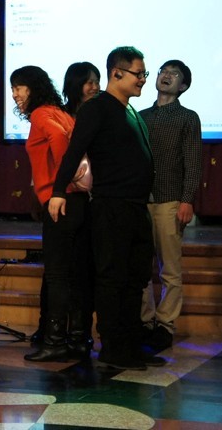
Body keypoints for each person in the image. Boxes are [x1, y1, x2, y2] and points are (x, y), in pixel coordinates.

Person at [49, 46, 162, 371]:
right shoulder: (97, 108)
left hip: (136, 206)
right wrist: (59, 191)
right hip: (112, 206)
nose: (143, 80)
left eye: (144, 73)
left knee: (136, 277)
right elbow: (75, 151)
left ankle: (131, 343)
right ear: (117, 73)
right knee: (113, 278)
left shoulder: (131, 111)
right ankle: (113, 347)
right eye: (138, 74)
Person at [11, 65, 90, 363]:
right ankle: (78, 339)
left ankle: (55, 341)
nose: (15, 94)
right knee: (77, 273)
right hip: (78, 201)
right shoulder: (62, 112)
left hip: (60, 202)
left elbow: (58, 140)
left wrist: (60, 185)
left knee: (57, 274)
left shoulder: (42, 115)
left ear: (33, 88)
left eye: (19, 87)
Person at [27, 61, 101, 348]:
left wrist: (63, 180)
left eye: (96, 81)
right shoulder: (64, 113)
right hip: (68, 195)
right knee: (62, 271)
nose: (94, 87)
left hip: (80, 197)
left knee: (73, 269)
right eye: (89, 81)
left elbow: (61, 146)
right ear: (75, 84)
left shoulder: (95, 112)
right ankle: (58, 331)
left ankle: (67, 337)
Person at [139, 60, 202, 353]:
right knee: (140, 267)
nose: (166, 76)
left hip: (170, 199)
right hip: (141, 200)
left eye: (174, 74)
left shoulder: (187, 117)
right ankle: (144, 322)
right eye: (163, 71)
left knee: (169, 268)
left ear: (183, 86)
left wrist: (187, 199)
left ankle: (165, 325)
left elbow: (193, 161)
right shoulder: (140, 115)